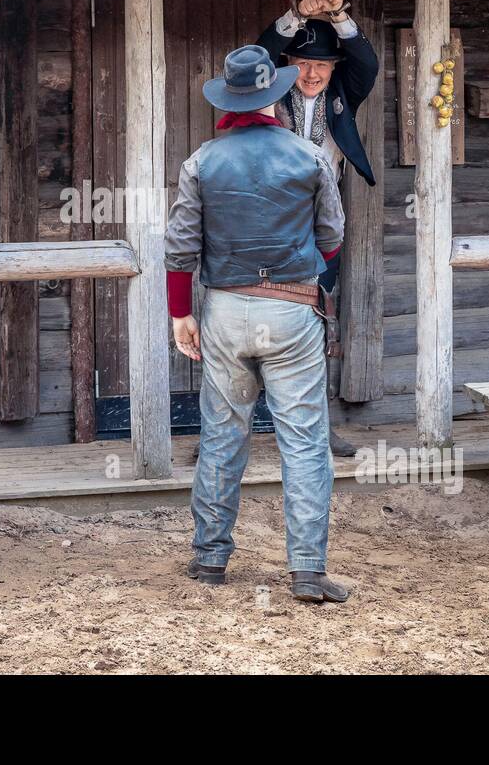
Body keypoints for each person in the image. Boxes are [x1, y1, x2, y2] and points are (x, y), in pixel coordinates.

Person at [165, 43, 350, 604]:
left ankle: (211, 561)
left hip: (224, 311)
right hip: (292, 310)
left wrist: (181, 313)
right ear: (275, 97)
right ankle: (307, 572)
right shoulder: (310, 157)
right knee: (305, 442)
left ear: (229, 97)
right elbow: (332, 236)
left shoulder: (201, 161)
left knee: (223, 435)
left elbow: (179, 250)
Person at [256, 0, 380, 458]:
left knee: (320, 322)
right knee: (253, 322)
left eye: (321, 65)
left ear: (332, 69)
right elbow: (259, 53)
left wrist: (339, 15)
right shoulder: (270, 90)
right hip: (266, 227)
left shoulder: (343, 93)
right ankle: (233, 435)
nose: (311, 73)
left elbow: (366, 64)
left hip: (320, 231)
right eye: (303, 63)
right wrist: (297, 14)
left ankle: (319, 430)